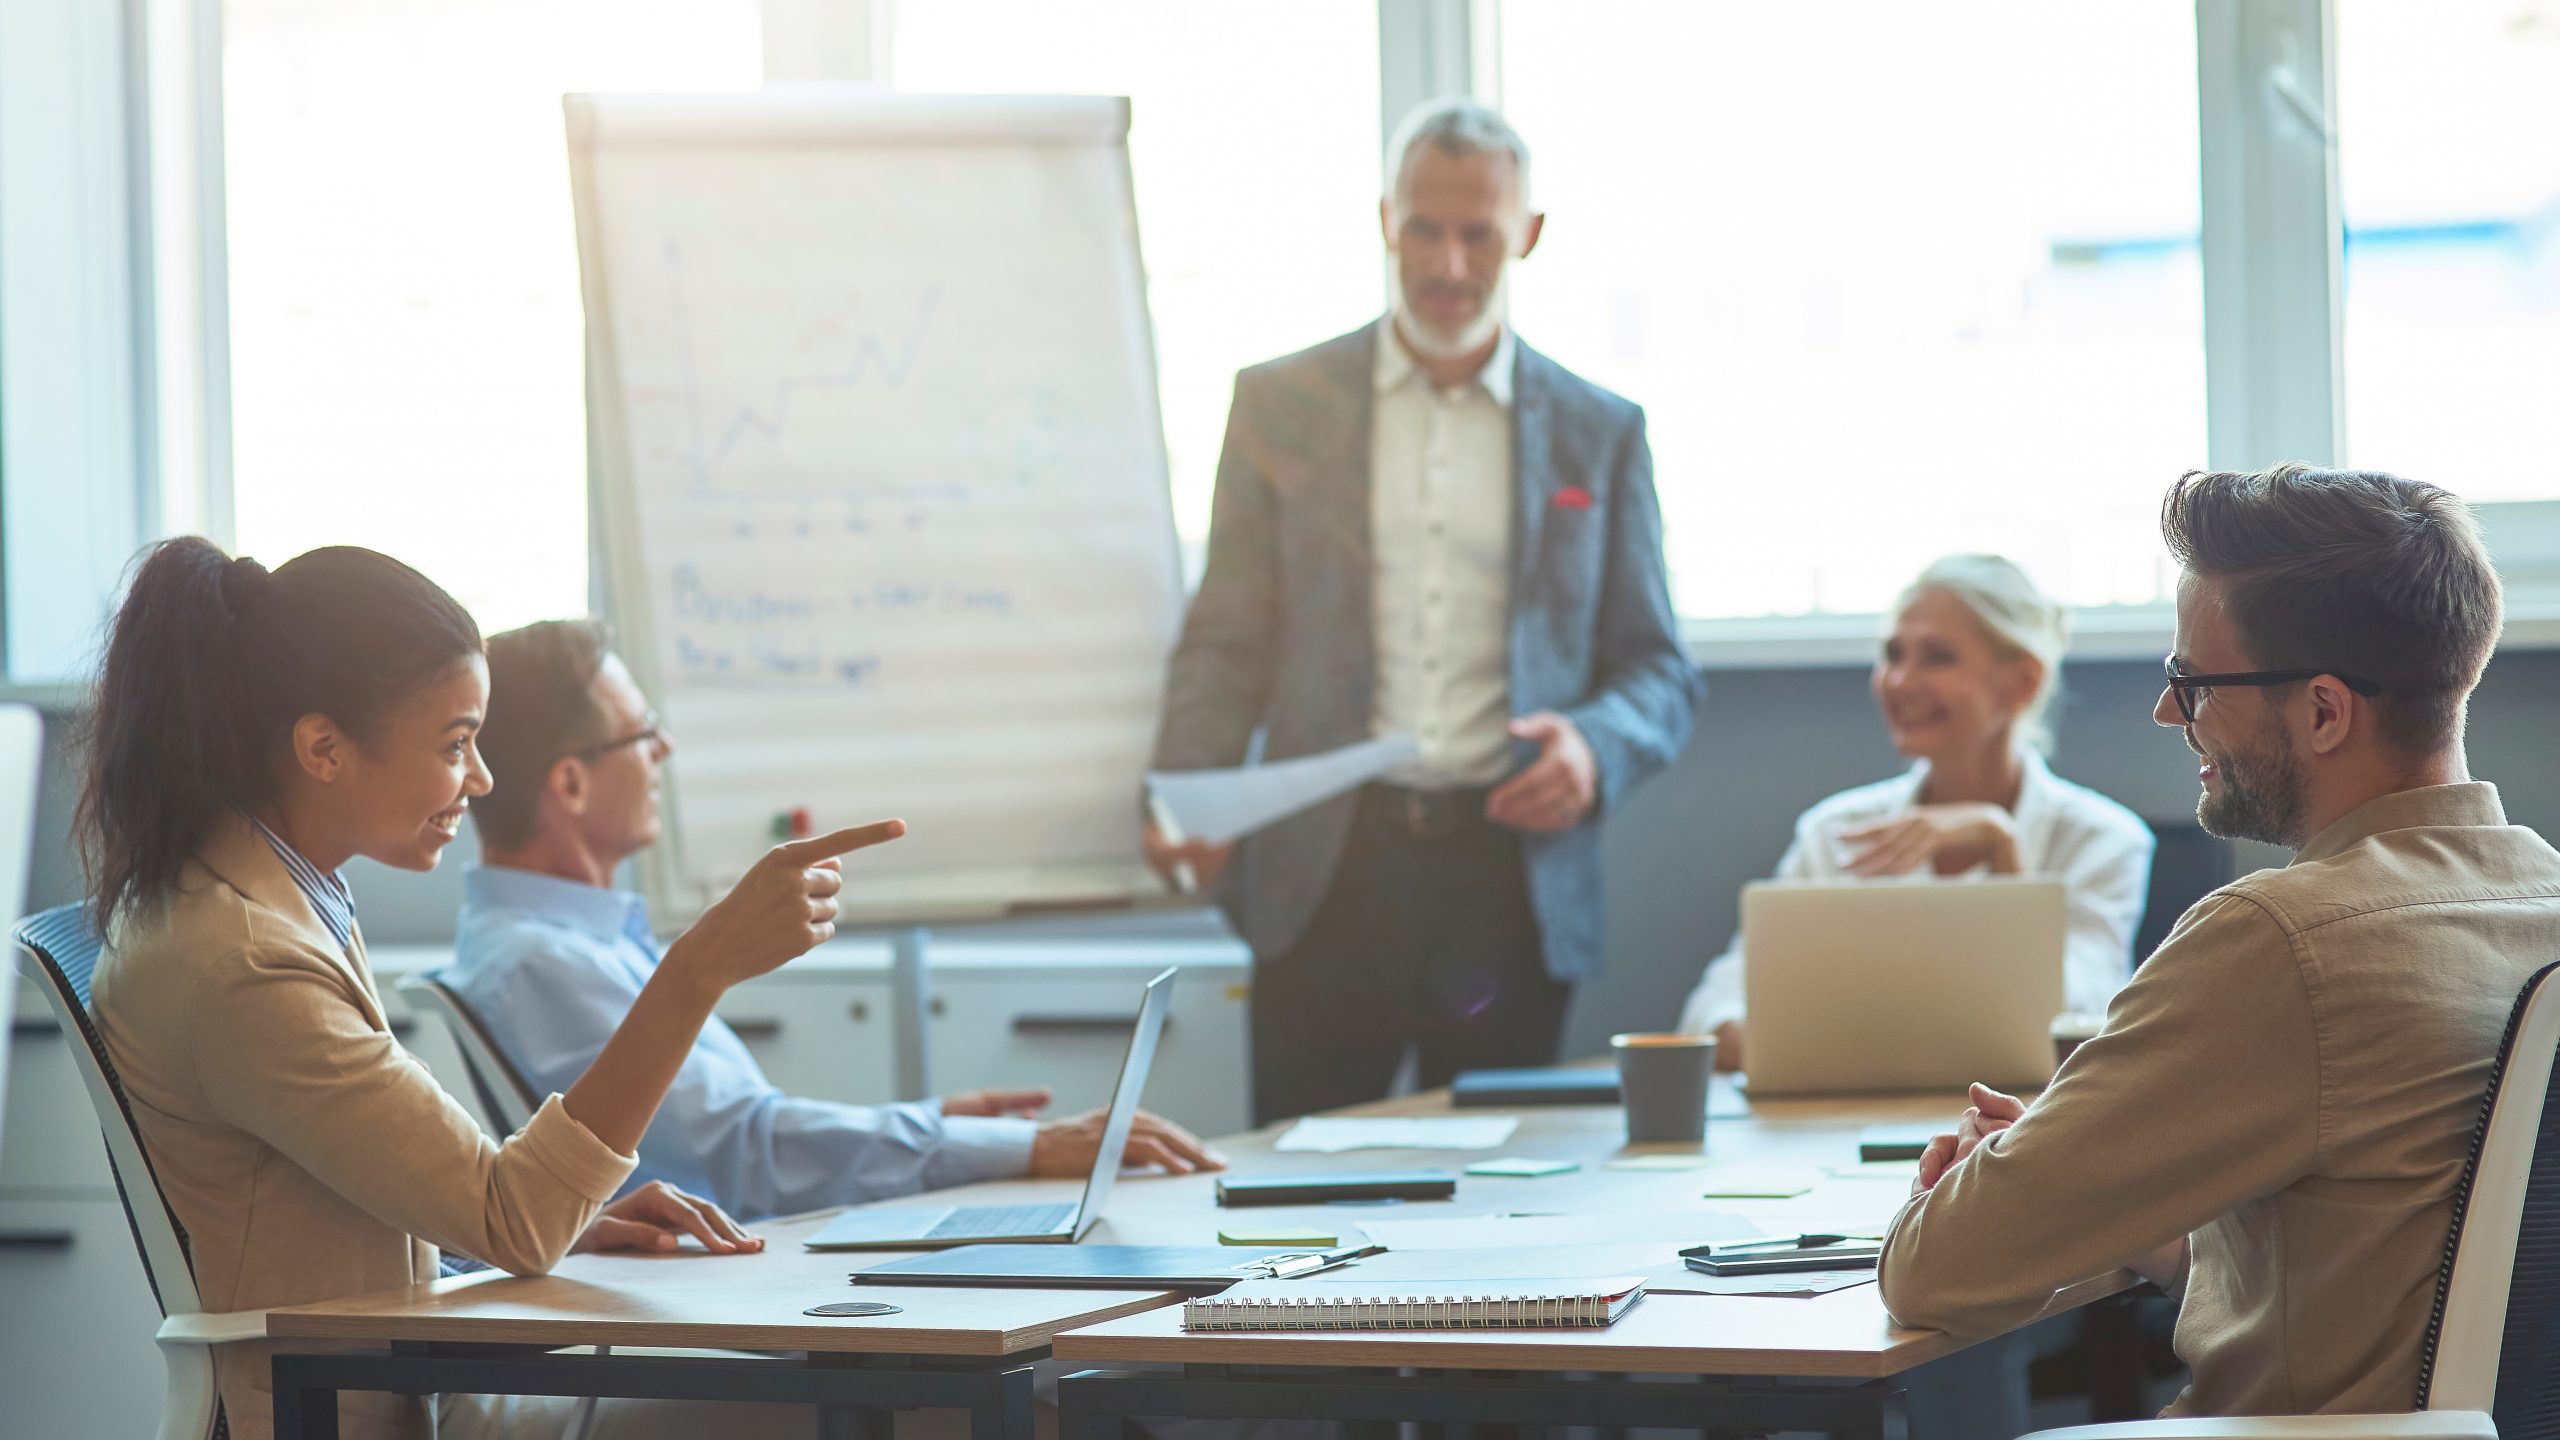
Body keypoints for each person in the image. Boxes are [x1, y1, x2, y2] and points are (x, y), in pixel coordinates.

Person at [83, 539, 896, 1440]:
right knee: (875, 1409)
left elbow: (363, 1206)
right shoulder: (244, 960)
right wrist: (698, 969)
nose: (481, 778)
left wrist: (577, 1224)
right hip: (348, 1409)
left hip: (400, 1372)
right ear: (323, 748)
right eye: (456, 744)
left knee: (851, 1398)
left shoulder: (274, 899)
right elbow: (515, 1218)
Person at [1880, 465, 2560, 1417]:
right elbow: (2386, 1260)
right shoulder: (2541, 899)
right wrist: (2093, 1184)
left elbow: (1932, 1271)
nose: (2169, 713)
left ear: (2323, 711)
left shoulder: (2281, 942)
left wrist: (1986, 1189)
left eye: (2191, 683)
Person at [1144, 98, 1701, 1125]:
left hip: (1509, 879)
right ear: (1384, 223)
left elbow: (1656, 669)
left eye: (1478, 234)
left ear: (1529, 234)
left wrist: (1592, 746)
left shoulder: (1600, 430)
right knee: (1299, 1180)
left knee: (1504, 1183)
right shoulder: (1279, 403)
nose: (1449, 265)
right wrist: (1186, 787)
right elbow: (1227, 639)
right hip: (1325, 871)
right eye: (1424, 231)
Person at [444, 619, 1223, 1221]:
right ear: (571, 784)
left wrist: (936, 1125)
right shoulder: (543, 965)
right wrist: (1024, 1147)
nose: (665, 750)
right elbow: (751, 1153)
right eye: (644, 734)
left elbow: (736, 1135)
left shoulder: (574, 947)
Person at [1678, 554, 2155, 1070]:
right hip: (1843, 1109)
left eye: (1937, 657)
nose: (1900, 681)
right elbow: (1710, 1009)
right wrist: (1805, 1052)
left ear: (2021, 683)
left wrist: (2001, 847)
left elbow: (2077, 1021)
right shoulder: (1835, 831)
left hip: (2018, 1115)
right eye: (1892, 654)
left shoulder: (2102, 840)